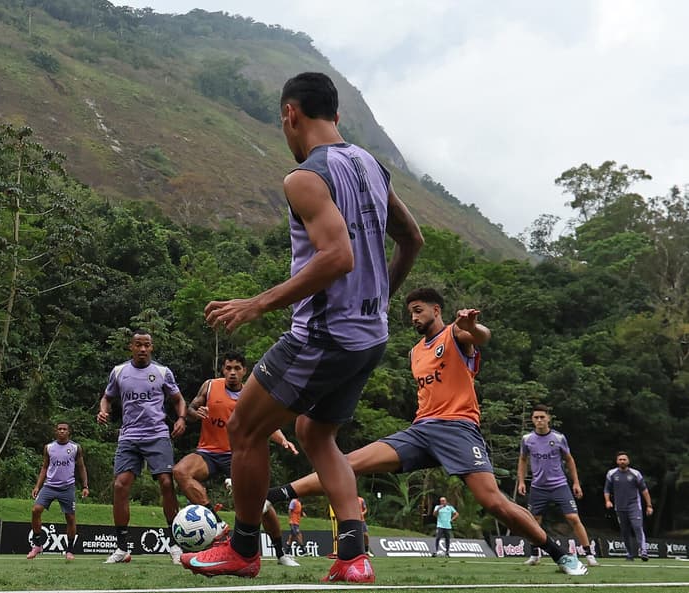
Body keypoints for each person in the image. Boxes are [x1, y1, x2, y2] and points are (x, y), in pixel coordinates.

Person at [181, 71, 424, 583]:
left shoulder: (305, 178)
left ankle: (244, 549)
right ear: (336, 114)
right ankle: (354, 556)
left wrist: (257, 303)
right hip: (369, 339)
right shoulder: (374, 167)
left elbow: (337, 256)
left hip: (323, 336)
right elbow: (413, 240)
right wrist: (380, 301)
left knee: (245, 428)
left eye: (282, 121)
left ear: (291, 114)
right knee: (316, 434)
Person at [266, 288, 589, 576]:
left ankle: (560, 554)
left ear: (437, 310)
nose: (414, 317)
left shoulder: (456, 335)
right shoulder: (415, 352)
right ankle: (274, 496)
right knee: (346, 463)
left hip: (458, 429)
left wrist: (471, 324)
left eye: (419, 310)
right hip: (421, 430)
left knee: (494, 503)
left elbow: (481, 336)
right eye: (410, 312)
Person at [171, 351, 301, 567]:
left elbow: (266, 424)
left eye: (237, 369)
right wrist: (196, 412)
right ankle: (218, 523)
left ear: (244, 371)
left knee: (263, 503)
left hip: (238, 454)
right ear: (223, 370)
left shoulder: (253, 393)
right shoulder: (210, 386)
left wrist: (284, 441)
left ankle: (281, 553)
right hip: (208, 452)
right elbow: (192, 408)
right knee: (180, 471)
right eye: (228, 368)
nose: (232, 373)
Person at [97, 330, 187, 564]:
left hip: (157, 434)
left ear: (152, 348)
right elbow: (107, 397)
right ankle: (121, 547)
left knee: (167, 483)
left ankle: (175, 545)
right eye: (138, 345)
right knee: (120, 485)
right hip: (129, 436)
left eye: (147, 345)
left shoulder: (162, 372)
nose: (143, 349)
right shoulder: (118, 372)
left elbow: (178, 399)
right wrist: (103, 410)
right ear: (131, 347)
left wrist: (181, 418)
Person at [517, 404, 598, 567]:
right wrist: (521, 481)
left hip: (559, 485)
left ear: (548, 418)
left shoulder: (559, 438)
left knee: (573, 518)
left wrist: (576, 482)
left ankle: (589, 555)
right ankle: (534, 555)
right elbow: (523, 459)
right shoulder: (527, 439)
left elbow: (569, 459)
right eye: (536, 417)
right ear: (532, 420)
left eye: (542, 417)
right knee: (534, 520)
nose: (539, 420)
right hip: (538, 487)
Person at [26, 422, 89, 561]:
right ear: (55, 431)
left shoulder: (75, 448)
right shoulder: (49, 448)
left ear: (69, 431)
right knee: (36, 510)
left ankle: (70, 550)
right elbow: (44, 467)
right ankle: (37, 545)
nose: (61, 431)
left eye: (64, 429)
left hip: (67, 487)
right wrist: (37, 486)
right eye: (59, 429)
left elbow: (81, 467)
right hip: (49, 486)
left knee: (70, 518)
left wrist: (85, 486)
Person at [604, 451, 652, 561]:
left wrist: (649, 505)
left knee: (637, 527)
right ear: (617, 461)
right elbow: (607, 489)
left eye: (624, 459)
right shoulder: (611, 474)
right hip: (620, 507)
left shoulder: (635, 474)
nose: (622, 461)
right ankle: (630, 554)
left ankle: (643, 551)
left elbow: (644, 490)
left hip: (634, 506)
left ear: (628, 461)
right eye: (620, 459)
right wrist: (607, 501)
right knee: (625, 531)